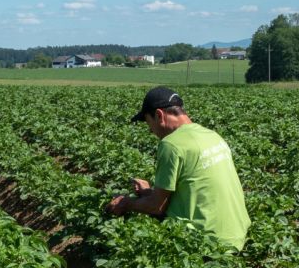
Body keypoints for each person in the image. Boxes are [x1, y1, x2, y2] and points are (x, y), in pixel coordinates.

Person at [106, 86, 251, 251]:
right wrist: (148, 193)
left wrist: (126, 203)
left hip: (207, 242)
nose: (150, 130)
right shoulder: (212, 135)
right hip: (236, 236)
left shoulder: (172, 144)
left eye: (148, 122)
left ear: (159, 115)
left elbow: (156, 207)